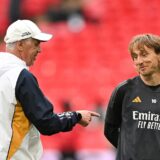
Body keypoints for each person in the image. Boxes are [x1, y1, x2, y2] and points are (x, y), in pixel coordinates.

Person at [0, 19, 100, 160]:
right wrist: (76, 116)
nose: (40, 50)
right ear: (20, 44)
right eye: (35, 44)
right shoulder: (20, 76)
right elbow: (47, 122)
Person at [104, 33, 160, 160]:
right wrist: (128, 151)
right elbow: (109, 129)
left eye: (144, 55)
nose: (139, 61)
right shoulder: (123, 90)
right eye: (135, 57)